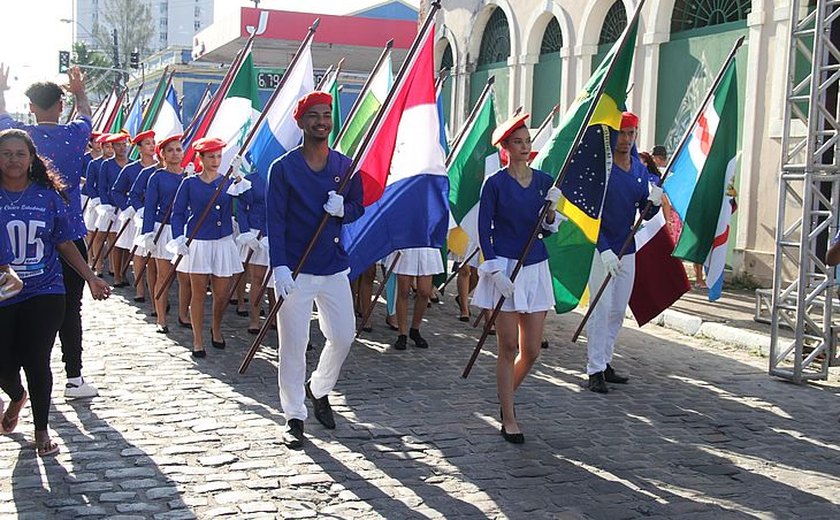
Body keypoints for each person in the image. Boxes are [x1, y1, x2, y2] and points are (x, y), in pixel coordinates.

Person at [0, 129, 110, 457]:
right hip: (3, 292)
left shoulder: (48, 195)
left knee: (36, 358)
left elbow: (64, 242)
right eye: (6, 153)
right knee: (4, 360)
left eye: (20, 153)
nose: (13, 160)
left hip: (45, 290)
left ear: (32, 158)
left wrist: (90, 277)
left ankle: (40, 429)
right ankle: (17, 395)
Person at [267, 91, 364, 448]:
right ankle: (293, 415)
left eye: (326, 115)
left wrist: (343, 210)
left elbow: (358, 205)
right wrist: (279, 266)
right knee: (293, 345)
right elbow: (274, 221)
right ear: (301, 122)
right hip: (294, 270)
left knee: (343, 335)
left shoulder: (344, 166)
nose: (321, 121)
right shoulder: (283, 169)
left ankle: (319, 387)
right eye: (314, 116)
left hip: (333, 265)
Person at [0, 64, 101, 399]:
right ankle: (74, 378)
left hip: (20, 235)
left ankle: (21, 383)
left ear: (30, 107)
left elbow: (1, 116)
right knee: (70, 309)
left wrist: (2, 88)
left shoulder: (18, 136)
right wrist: (80, 91)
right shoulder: (74, 135)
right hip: (69, 230)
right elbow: (86, 113)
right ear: (61, 105)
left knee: (14, 307)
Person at [471, 113, 562, 444]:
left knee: (533, 350)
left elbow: (547, 230)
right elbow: (485, 229)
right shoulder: (494, 183)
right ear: (505, 148)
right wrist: (494, 270)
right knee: (508, 346)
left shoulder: (544, 181)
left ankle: (504, 394)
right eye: (518, 142)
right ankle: (509, 416)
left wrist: (551, 211)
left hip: (535, 267)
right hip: (505, 268)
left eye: (527, 141)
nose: (525, 147)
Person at [585, 113, 663, 394]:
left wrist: (653, 202)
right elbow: (589, 215)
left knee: (618, 309)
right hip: (601, 249)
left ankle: (606, 360)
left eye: (631, 133)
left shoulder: (639, 170)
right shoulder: (601, 170)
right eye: (621, 133)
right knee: (600, 308)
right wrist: (603, 248)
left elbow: (644, 208)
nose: (626, 139)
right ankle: (594, 369)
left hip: (626, 246)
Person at [167, 137, 248, 357]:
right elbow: (179, 213)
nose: (216, 160)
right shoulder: (190, 183)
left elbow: (246, 200)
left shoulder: (227, 181)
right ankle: (198, 340)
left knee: (222, 294)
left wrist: (238, 176)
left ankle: (216, 327)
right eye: (211, 156)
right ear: (201, 158)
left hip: (222, 241)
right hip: (199, 241)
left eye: (219, 156)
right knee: (199, 292)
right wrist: (178, 238)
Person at [136, 135, 192, 335]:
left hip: (184, 230)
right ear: (162, 155)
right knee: (164, 276)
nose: (175, 153)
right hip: (164, 229)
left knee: (186, 277)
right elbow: (150, 207)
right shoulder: (157, 177)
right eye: (170, 150)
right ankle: (161, 318)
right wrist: (148, 234)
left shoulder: (189, 176)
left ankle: (184, 314)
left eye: (178, 149)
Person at [112, 130, 158, 301]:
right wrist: (130, 208)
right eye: (147, 143)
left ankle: (155, 288)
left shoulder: (161, 167)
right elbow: (117, 191)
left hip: (156, 216)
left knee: (154, 254)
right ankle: (139, 288)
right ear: (139, 148)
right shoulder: (130, 169)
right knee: (137, 251)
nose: (152, 146)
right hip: (136, 216)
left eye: (153, 143)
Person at [235, 170, 276, 333]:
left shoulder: (286, 175)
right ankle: (254, 320)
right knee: (258, 278)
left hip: (276, 233)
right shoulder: (251, 179)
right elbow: (241, 207)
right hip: (255, 233)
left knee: (275, 280)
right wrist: (245, 232)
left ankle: (275, 319)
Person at [93, 132, 131, 283]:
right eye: (118, 145)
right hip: (111, 206)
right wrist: (106, 205)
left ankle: (123, 270)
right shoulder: (106, 164)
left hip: (127, 208)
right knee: (111, 239)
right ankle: (113, 273)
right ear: (113, 147)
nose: (122, 148)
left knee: (127, 242)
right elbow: (102, 186)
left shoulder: (132, 164)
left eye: (124, 145)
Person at [388, 247, 443, 350]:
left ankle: (415, 329)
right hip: (407, 244)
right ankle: (402, 334)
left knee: (424, 292)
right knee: (403, 291)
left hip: (426, 244)